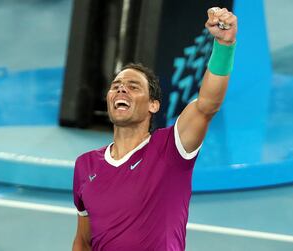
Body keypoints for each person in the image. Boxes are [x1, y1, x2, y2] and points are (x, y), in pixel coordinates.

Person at [72, 7, 238, 251]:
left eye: (133, 86)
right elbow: (83, 242)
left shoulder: (171, 149)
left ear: (153, 105)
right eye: (116, 85)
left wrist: (224, 46)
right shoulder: (85, 165)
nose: (121, 90)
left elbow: (207, 105)